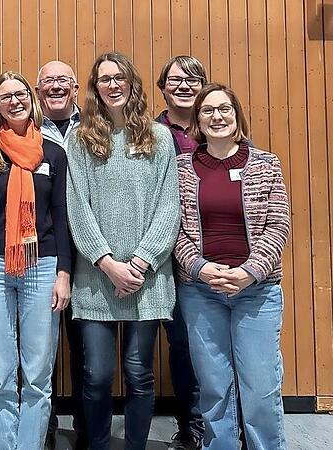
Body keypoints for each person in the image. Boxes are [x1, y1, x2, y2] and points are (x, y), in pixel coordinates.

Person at [66, 52, 180, 450]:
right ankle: (97, 444)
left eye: (119, 78)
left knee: (138, 373)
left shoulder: (158, 137)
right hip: (96, 278)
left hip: (146, 280)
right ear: (95, 87)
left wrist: (141, 262)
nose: (112, 85)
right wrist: (108, 263)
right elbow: (76, 206)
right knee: (96, 375)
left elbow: (170, 206)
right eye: (104, 79)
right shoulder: (79, 138)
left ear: (132, 83)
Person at [0, 70, 71, 450]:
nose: (14, 101)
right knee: (0, 372)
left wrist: (64, 273)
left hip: (41, 264)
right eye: (5, 97)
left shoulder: (54, 154)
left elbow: (62, 215)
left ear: (31, 98)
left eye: (20, 94)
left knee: (38, 373)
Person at [174, 83, 290, 450]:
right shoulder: (180, 168)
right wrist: (201, 269)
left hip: (256, 292)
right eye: (208, 110)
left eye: (225, 109)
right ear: (198, 120)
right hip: (201, 293)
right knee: (213, 390)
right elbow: (172, 228)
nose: (217, 116)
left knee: (260, 389)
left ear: (237, 115)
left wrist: (248, 272)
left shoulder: (266, 164)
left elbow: (279, 223)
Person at [155, 55, 208, 450]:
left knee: (215, 343)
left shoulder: (220, 124)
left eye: (193, 79)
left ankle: (225, 421)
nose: (184, 86)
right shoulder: (152, 132)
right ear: (163, 87)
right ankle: (191, 424)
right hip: (171, 258)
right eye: (176, 80)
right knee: (182, 343)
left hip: (218, 254)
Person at [34, 60, 85, 450]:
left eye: (62, 80)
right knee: (41, 345)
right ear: (38, 90)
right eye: (48, 81)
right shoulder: (28, 133)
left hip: (91, 252)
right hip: (46, 249)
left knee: (84, 344)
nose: (55, 86)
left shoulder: (95, 129)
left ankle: (88, 425)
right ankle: (44, 424)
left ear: (75, 87)